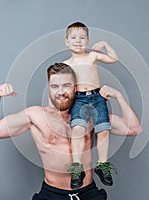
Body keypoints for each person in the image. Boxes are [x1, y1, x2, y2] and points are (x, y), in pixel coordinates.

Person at [0, 63, 142, 200]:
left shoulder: (90, 116)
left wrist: (119, 96)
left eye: (66, 85)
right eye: (55, 86)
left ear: (75, 87)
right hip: (53, 194)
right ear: (49, 87)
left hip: (88, 193)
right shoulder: (35, 116)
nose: (60, 92)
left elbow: (134, 128)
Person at [63, 22, 119, 189]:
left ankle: (102, 165)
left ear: (87, 41)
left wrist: (105, 45)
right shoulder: (66, 64)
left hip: (96, 96)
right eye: (73, 37)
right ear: (66, 41)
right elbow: (64, 85)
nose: (78, 41)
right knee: (78, 130)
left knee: (103, 130)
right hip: (79, 98)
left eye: (82, 37)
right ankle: (77, 168)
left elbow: (114, 58)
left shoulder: (92, 56)